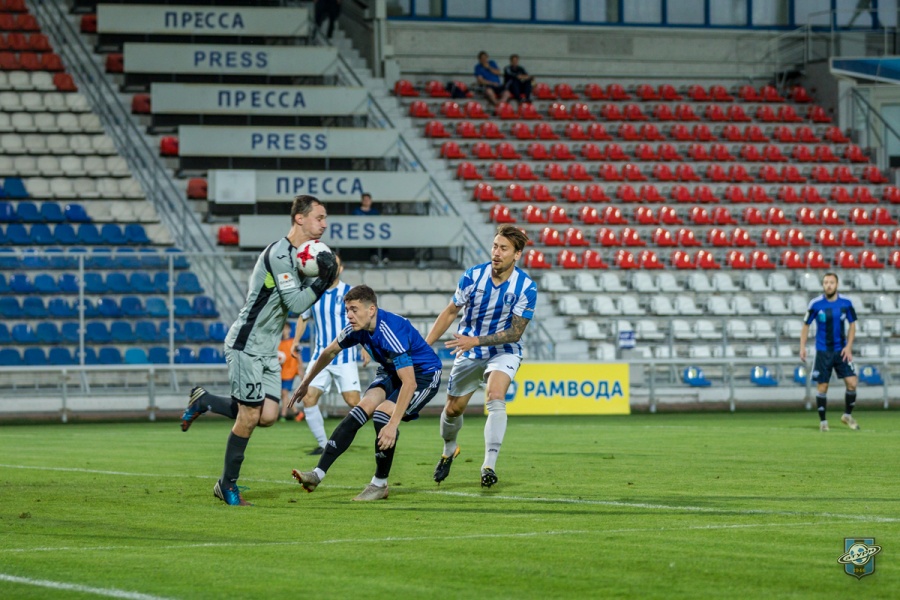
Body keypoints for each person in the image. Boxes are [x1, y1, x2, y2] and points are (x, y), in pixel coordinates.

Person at [179, 195, 338, 506]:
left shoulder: (302, 256)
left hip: (267, 349)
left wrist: (320, 278)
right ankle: (226, 485)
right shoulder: (279, 254)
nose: (324, 224)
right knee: (250, 415)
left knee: (268, 415)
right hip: (246, 344)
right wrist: (323, 281)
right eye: (319, 217)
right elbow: (295, 304)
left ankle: (205, 400)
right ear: (300, 218)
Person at [290, 284, 443, 501]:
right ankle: (317, 474)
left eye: (354, 309)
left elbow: (409, 383)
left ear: (371, 310)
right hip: (392, 370)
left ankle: (379, 484)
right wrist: (306, 382)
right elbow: (329, 352)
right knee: (360, 409)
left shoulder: (390, 331)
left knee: (383, 415)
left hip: (423, 375)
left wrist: (393, 425)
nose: (349, 315)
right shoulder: (356, 329)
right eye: (347, 310)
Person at [425, 224, 537, 488]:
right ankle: (449, 448)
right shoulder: (473, 276)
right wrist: (425, 345)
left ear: (517, 254)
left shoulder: (526, 287)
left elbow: (515, 333)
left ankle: (489, 465)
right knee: (453, 409)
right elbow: (451, 311)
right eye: (495, 246)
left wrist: (476, 340)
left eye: (504, 248)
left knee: (495, 396)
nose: (496, 252)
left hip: (504, 350)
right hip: (469, 350)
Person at [292, 253, 369, 454]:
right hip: (321, 356)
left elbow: (362, 320)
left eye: (336, 265)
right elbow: (303, 317)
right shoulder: (313, 292)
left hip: (345, 356)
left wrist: (365, 346)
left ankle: (384, 423)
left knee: (354, 402)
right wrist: (296, 341)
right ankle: (323, 445)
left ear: (340, 269)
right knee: (308, 397)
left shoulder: (349, 292)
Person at [799, 272, 860, 432]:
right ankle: (823, 422)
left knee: (852, 383)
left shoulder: (846, 303)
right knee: (822, 387)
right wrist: (802, 346)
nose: (828, 285)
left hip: (841, 350)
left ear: (837, 284)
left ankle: (847, 415)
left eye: (831, 282)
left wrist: (849, 346)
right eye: (826, 282)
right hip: (823, 351)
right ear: (823, 285)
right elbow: (806, 325)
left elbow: (852, 324)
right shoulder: (815, 304)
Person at [278, 323, 303, 422]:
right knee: (283, 394)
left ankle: (283, 415)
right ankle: (297, 413)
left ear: (289, 330)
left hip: (290, 371)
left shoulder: (294, 343)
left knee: (284, 393)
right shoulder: (279, 343)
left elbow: (299, 357)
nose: (284, 331)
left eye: (286, 329)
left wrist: (301, 371)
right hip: (281, 372)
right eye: (283, 329)